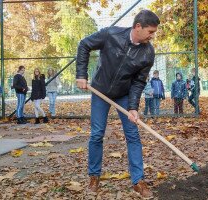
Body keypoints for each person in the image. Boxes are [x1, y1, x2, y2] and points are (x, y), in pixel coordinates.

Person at [76, 10, 159, 198]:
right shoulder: (111, 34)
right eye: (150, 32)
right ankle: (94, 177)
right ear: (138, 27)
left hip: (124, 94)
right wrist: (81, 75)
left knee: (133, 135)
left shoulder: (148, 52)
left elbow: (139, 82)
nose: (152, 36)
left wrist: (133, 107)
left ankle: (138, 181)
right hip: (100, 91)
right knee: (97, 134)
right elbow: (84, 45)